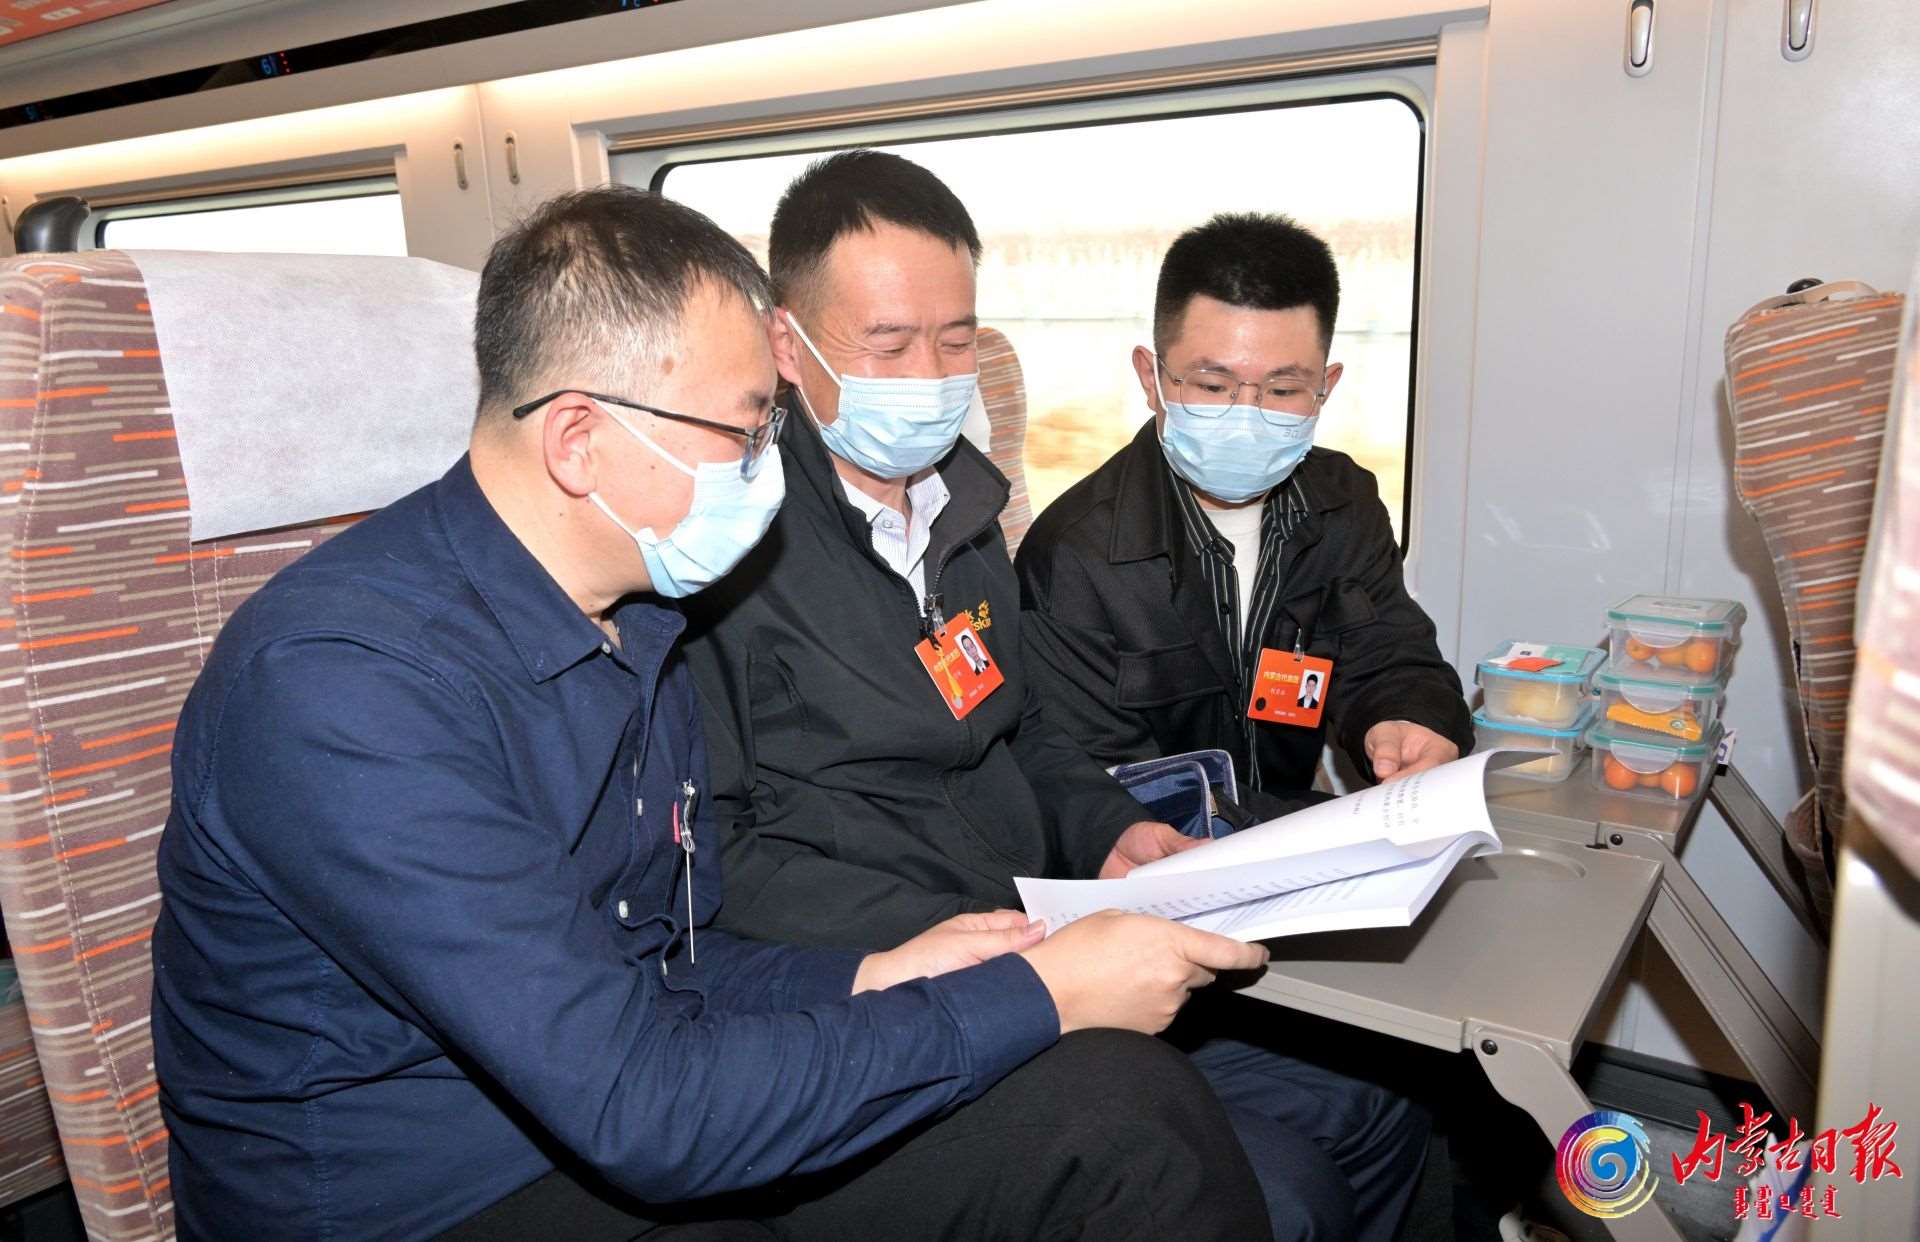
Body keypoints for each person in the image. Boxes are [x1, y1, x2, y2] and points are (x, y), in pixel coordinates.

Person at [149, 186, 1276, 1242]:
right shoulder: (344, 688)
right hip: (427, 1195)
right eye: (744, 435)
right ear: (580, 441)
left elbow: (663, 963)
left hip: (609, 1105)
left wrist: (875, 975)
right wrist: (1040, 994)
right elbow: (643, 1108)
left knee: (1121, 1114)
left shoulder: (635, 622)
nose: (768, 471)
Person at [682, 152, 1429, 1242]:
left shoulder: (963, 521)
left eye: (955, 340)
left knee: (1383, 1103)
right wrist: (966, 945)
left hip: (1035, 925)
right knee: (1284, 1188)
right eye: (888, 343)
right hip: (899, 978)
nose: (930, 375)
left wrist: (1108, 826)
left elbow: (1019, 729)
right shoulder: (721, 555)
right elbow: (712, 854)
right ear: (789, 347)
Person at [1015, 212, 1473, 819]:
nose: (1246, 416)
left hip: (1291, 824)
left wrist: (1410, 718)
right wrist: (1309, 825)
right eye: (1212, 386)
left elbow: (1388, 650)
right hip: (1164, 848)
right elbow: (1102, 784)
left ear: (1326, 388)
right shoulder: (1077, 555)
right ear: (1152, 378)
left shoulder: (1344, 502)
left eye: (1282, 391)